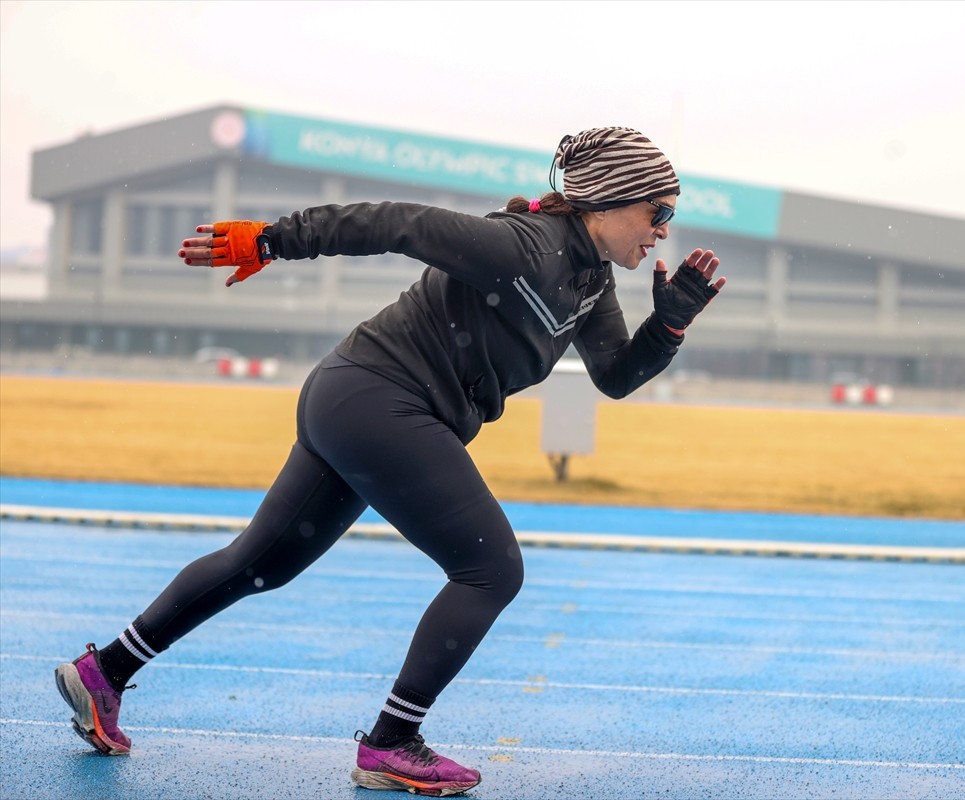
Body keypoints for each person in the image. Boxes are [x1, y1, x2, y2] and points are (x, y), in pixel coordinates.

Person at [53, 127, 725, 796]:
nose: (664, 228)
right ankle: (392, 742)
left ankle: (104, 672)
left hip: (358, 400)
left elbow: (614, 375)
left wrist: (668, 327)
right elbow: (396, 223)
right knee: (491, 570)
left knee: (262, 564)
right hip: (378, 400)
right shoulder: (523, 246)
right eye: (657, 211)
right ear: (607, 200)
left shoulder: (590, 283)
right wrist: (269, 239)